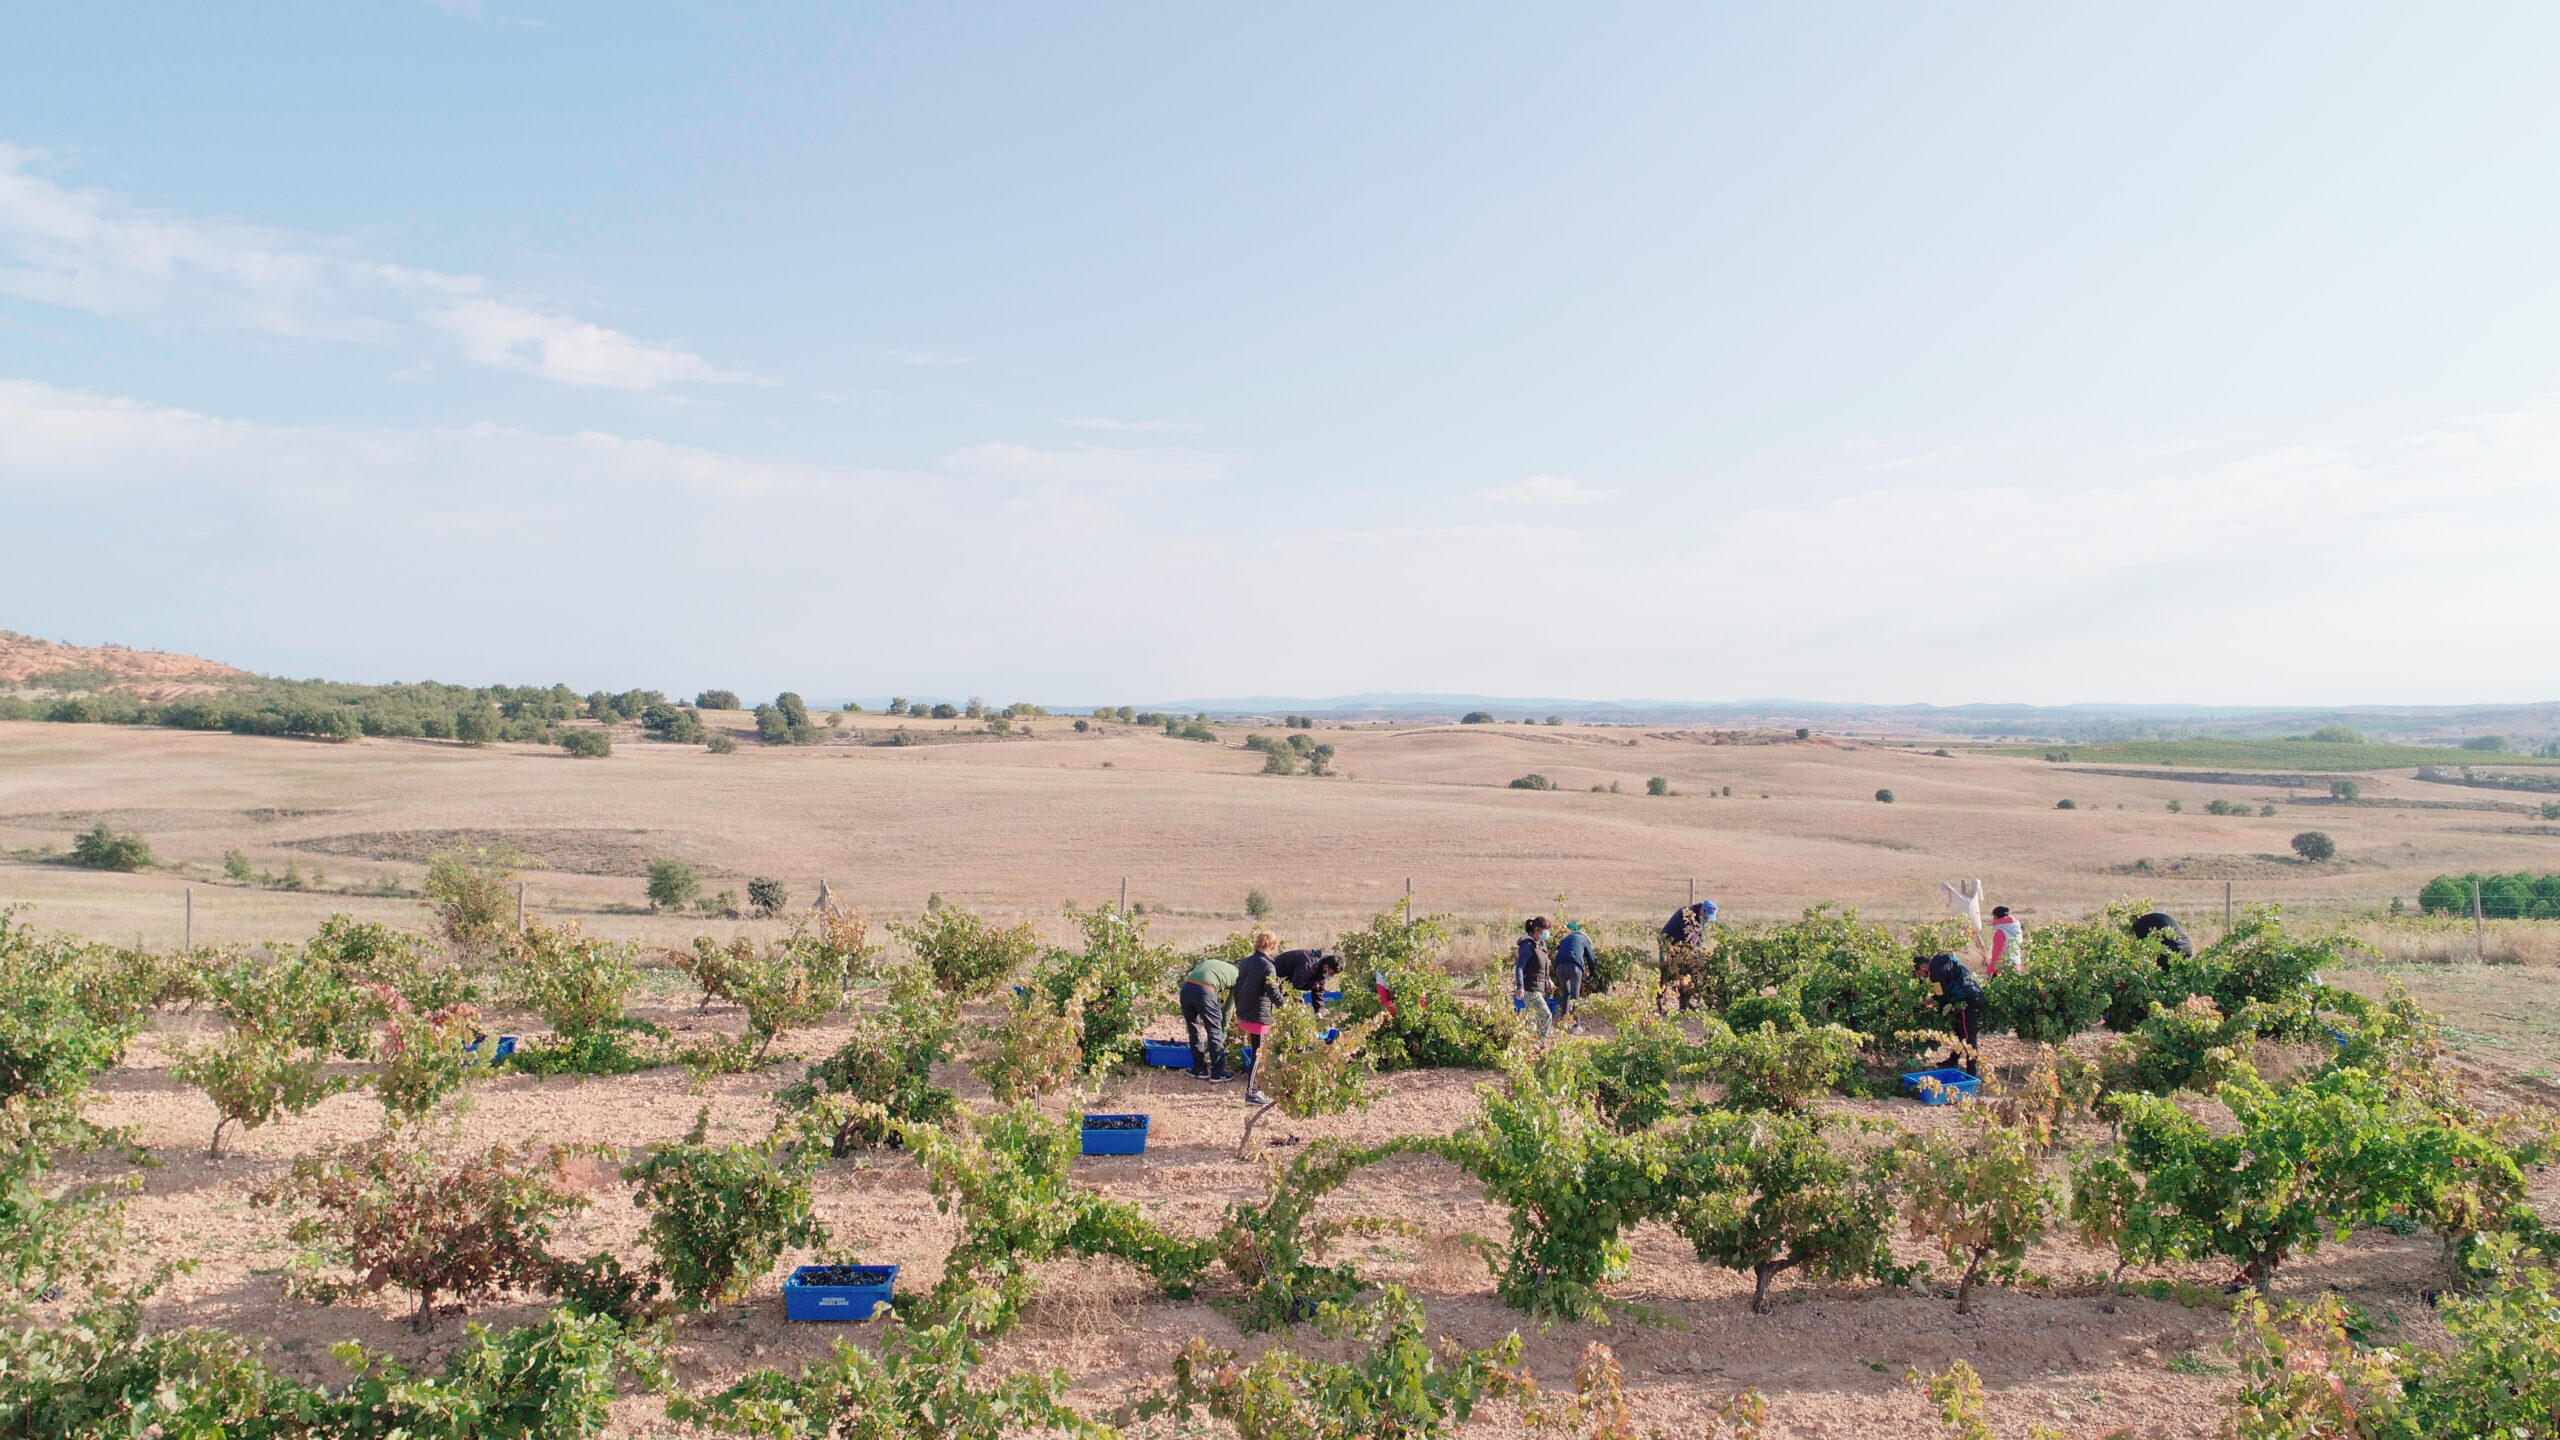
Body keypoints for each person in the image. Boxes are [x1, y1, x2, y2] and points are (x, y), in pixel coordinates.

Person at [1913, 950, 1985, 1076]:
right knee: (1961, 1032)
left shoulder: (1935, 972)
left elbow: (1944, 999)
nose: (1924, 977)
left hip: (1967, 1002)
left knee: (1968, 1038)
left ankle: (1972, 1075)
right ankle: (1953, 1060)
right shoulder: (1944, 959)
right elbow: (1950, 984)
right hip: (1975, 994)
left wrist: (1938, 1016)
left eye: (1922, 974)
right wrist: (1933, 999)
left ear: (1924, 966)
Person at [1232, 931, 1281, 1103]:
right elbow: (1273, 992)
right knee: (1258, 1053)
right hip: (1259, 1015)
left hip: (1246, 1011)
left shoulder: (1246, 962)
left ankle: (1258, 1087)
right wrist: (1286, 1007)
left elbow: (1237, 987)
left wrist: (1240, 1008)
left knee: (1258, 1050)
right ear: (1273, 946)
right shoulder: (1268, 967)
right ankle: (1251, 1092)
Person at [1180, 947, 1238, 1082]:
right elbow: (1229, 1007)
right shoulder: (1239, 976)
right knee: (1214, 1031)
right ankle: (1218, 1072)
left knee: (1194, 1030)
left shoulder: (1218, 965)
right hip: (1205, 991)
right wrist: (1223, 1027)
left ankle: (1199, 1069)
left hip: (1186, 989)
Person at [1549, 920, 1594, 1027]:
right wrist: (1592, 974)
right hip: (1574, 966)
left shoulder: (1565, 939)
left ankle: (1563, 1022)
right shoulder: (1584, 939)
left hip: (1559, 966)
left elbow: (1559, 951)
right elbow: (1591, 958)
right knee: (1575, 996)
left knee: (1566, 992)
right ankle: (1576, 1026)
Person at [1514, 916, 1554, 1035]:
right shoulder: (1528, 946)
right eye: (1546, 930)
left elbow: (1543, 967)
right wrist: (1520, 986)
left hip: (1538, 987)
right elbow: (1520, 967)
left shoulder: (1541, 945)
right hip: (1530, 988)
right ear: (1537, 930)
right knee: (1546, 1016)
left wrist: (1549, 980)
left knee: (1531, 1020)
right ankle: (1540, 1045)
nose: (1548, 933)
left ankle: (1528, 1046)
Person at [1274, 946, 1345, 1013]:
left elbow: (1318, 991)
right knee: (1295, 1006)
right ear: (1326, 967)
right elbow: (1293, 987)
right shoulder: (1308, 967)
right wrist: (1299, 1005)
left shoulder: (1322, 970)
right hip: (1278, 973)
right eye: (1331, 973)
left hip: (1292, 978)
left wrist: (1319, 1011)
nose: (1331, 976)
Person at [1985, 905, 2025, 978]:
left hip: (2003, 970)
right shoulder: (2017, 930)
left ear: (1996, 917)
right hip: (2017, 967)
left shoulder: (2000, 931)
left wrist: (1989, 972)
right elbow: (2021, 950)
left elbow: (1997, 955)